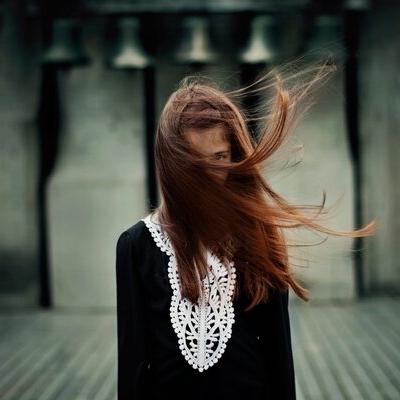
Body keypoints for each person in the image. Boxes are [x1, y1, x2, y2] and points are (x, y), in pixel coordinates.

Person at [116, 67, 376, 400]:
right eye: (195, 161)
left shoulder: (258, 236)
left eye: (220, 157)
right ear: (171, 163)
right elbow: (133, 363)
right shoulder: (136, 245)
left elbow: (278, 354)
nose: (210, 173)